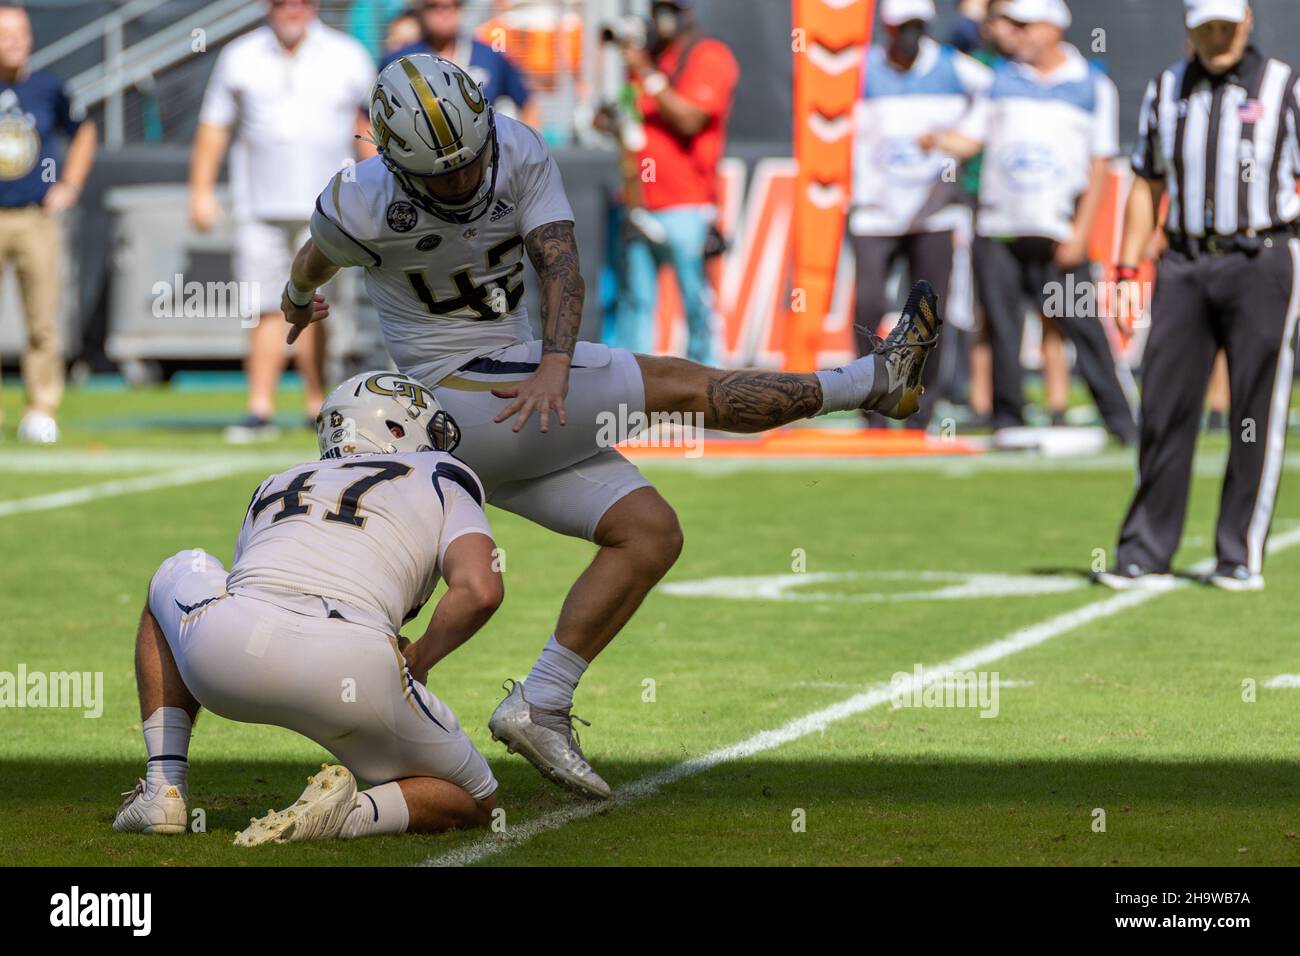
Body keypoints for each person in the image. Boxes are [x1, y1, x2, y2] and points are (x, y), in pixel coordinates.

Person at [281, 54, 942, 800]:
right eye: (442, 176)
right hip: (453, 396)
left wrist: (555, 362)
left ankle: (538, 701)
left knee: (649, 533)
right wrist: (296, 296)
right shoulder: (360, 200)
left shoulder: (516, 146)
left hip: (520, 388)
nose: (462, 182)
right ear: (394, 162)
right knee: (675, 384)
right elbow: (315, 256)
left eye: (470, 163)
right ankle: (871, 383)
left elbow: (559, 264)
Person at [113, 372, 502, 843]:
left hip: (227, 653)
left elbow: (249, 582)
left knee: (178, 568)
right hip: (351, 669)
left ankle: (164, 789)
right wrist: (418, 659)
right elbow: (480, 589)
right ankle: (353, 814)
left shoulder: (280, 479)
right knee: (475, 798)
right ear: (397, 430)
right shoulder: (440, 473)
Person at [1096, 0, 1300, 592]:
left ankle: (1238, 553)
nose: (1217, 36)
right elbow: (1147, 180)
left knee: (1254, 410)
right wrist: (1129, 265)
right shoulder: (1167, 90)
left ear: (1247, 21)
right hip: (1183, 260)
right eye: (1205, 26)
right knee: (1163, 402)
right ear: (1189, 29)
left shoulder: (1284, 87)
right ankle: (1145, 550)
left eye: (1226, 25)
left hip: (1261, 257)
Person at [921, 0, 1138, 444]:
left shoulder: (1093, 86)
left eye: (1025, 26)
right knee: (1002, 326)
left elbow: (1100, 166)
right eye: (1011, 25)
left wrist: (1081, 231)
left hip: (1058, 230)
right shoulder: (998, 80)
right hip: (999, 228)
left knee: (1083, 328)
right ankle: (1009, 419)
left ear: (1053, 27)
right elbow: (970, 137)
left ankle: (1123, 422)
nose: (1015, 35)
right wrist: (938, 140)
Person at [189, 0, 375, 443]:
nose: (292, 9)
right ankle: (260, 406)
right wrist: (199, 190)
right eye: (282, 2)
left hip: (332, 211)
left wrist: (379, 195)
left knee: (320, 308)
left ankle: (317, 403)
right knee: (261, 308)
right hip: (259, 207)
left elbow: (369, 126)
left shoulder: (348, 54)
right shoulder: (239, 55)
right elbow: (214, 126)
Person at [849, 0, 991, 428]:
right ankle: (869, 399)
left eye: (916, 26)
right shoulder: (863, 69)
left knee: (928, 310)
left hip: (934, 212)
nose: (909, 36)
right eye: (900, 27)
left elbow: (998, 94)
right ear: (887, 28)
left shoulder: (953, 67)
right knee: (870, 304)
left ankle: (918, 407)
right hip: (875, 211)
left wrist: (959, 139)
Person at [610, 0, 738, 363]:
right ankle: (634, 398)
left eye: (669, 8)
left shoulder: (708, 55)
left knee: (697, 307)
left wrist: (647, 73)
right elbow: (632, 122)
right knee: (635, 305)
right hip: (640, 204)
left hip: (688, 205)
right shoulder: (648, 60)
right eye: (657, 8)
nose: (661, 18)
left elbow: (689, 120)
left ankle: (708, 398)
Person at [0, 4, 97, 444]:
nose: (14, 41)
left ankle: (41, 408)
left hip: (35, 216)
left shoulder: (49, 88)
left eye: (20, 33)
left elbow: (83, 130)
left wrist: (70, 185)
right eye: (6, 34)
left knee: (42, 318)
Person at [383, 0, 536, 125]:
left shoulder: (489, 55)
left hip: (483, 158)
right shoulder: (401, 61)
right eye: (433, 6)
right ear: (420, 8)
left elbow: (529, 104)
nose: (444, 12)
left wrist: (525, 154)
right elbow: (366, 117)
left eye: (453, 5)